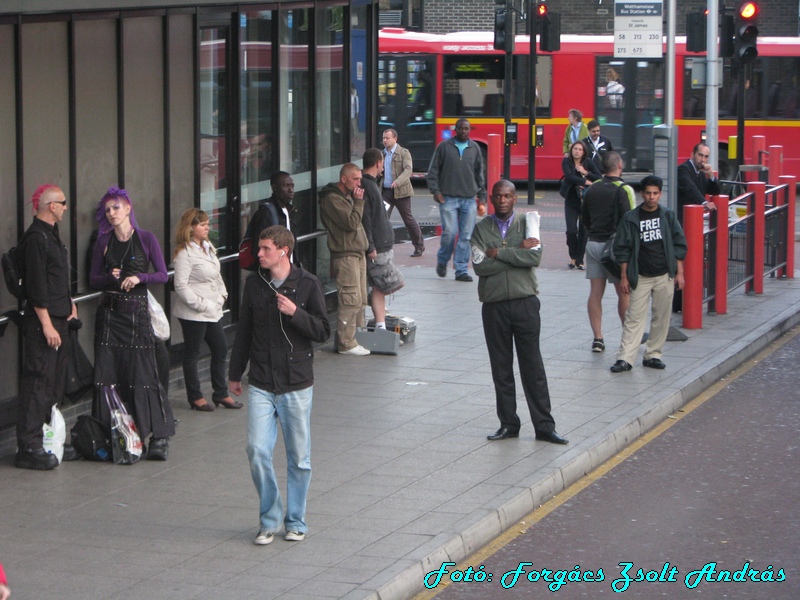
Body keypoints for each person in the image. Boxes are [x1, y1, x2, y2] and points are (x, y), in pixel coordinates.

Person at [228, 225, 331, 546]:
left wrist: (295, 313)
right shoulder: (254, 285)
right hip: (260, 380)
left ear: (284, 251)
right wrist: (234, 373)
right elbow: (244, 331)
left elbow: (323, 331)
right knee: (257, 450)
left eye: (265, 249)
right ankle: (269, 519)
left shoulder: (308, 284)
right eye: (259, 249)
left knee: (299, 457)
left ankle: (296, 521)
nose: (258, 254)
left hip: (296, 383)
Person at [471, 180, 569, 445]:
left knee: (532, 367)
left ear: (515, 198)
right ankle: (508, 424)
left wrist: (497, 253)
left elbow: (533, 259)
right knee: (501, 368)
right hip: (494, 307)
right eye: (498, 196)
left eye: (508, 196)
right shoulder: (481, 228)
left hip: (525, 303)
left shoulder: (529, 222)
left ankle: (545, 426)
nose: (502, 200)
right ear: (492, 199)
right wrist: (516, 251)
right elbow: (479, 266)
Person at [90, 186, 174, 461]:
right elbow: (93, 280)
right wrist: (110, 276)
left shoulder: (146, 238)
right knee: (109, 374)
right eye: (107, 210)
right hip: (111, 316)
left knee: (144, 374)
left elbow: (162, 274)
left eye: (116, 207)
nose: (111, 213)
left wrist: (140, 278)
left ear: (128, 208)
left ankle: (159, 436)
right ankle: (115, 433)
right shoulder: (103, 241)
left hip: (137, 314)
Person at [14, 185, 78, 470]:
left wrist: (69, 304)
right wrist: (47, 324)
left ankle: (45, 438)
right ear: (51, 206)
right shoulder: (36, 238)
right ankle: (29, 446)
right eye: (62, 203)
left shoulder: (51, 235)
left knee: (52, 382)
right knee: (38, 381)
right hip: (45, 324)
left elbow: (55, 279)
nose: (66, 207)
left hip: (59, 318)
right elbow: (37, 286)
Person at [610, 176, 687, 373]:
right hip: (640, 275)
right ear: (642, 194)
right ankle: (625, 358)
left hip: (664, 274)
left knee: (662, 317)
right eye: (648, 193)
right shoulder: (631, 218)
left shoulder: (667, 216)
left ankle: (653, 354)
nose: (651, 197)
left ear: (660, 194)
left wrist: (680, 273)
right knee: (634, 317)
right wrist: (624, 276)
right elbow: (623, 249)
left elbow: (679, 245)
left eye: (655, 193)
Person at [172, 208, 241, 413]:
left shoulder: (208, 247)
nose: (207, 228)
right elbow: (181, 286)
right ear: (191, 227)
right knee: (192, 353)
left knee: (220, 348)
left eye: (207, 224)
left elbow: (216, 275)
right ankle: (195, 396)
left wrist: (223, 295)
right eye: (203, 225)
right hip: (194, 312)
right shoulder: (184, 253)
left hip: (213, 309)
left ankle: (220, 393)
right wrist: (202, 304)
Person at [581, 151, 636, 353]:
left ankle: (598, 338)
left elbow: (584, 217)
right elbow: (629, 222)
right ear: (619, 165)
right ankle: (629, 335)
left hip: (594, 243)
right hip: (614, 249)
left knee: (595, 292)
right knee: (623, 291)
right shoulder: (625, 190)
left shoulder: (592, 188)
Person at [319, 163, 371, 356]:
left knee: (360, 299)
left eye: (360, 178)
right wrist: (358, 202)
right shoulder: (332, 199)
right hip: (345, 254)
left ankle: (356, 336)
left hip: (357, 251)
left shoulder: (346, 196)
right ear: (344, 179)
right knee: (350, 299)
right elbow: (351, 223)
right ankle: (345, 342)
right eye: (356, 179)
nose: (359, 183)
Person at [427, 118, 486, 282]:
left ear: (469, 130)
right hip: (448, 199)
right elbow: (432, 172)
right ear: (455, 129)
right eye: (460, 128)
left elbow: (479, 175)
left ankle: (461, 270)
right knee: (450, 233)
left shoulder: (474, 148)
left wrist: (482, 198)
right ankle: (442, 260)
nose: (463, 131)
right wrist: (436, 192)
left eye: (466, 128)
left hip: (469, 199)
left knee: (466, 236)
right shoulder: (444, 147)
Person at [362, 148, 405, 328]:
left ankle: (380, 323)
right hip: (377, 247)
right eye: (383, 163)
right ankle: (378, 321)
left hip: (381, 245)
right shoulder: (367, 186)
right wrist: (370, 245)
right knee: (390, 283)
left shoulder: (371, 184)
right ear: (379, 162)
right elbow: (366, 218)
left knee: (380, 287)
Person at [675, 143, 720, 312]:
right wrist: (703, 202)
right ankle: (678, 303)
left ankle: (687, 301)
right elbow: (689, 188)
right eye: (700, 155)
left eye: (706, 157)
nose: (703, 159)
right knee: (682, 262)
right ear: (693, 154)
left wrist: (711, 176)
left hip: (694, 224)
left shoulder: (701, 173)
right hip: (682, 222)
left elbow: (715, 190)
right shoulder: (684, 169)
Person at [382, 128, 425, 257]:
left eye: (387, 138)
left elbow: (408, 170)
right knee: (383, 219)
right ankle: (383, 246)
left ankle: (419, 246)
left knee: (408, 219)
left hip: (401, 192)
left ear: (395, 139)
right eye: (383, 138)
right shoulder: (382, 154)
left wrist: (398, 182)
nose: (384, 140)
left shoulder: (404, 153)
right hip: (386, 193)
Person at [561, 140, 601, 270]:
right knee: (571, 231)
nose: (577, 151)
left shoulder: (588, 162)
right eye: (575, 149)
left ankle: (579, 260)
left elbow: (598, 176)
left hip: (586, 202)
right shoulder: (566, 161)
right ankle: (573, 255)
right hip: (571, 200)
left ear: (583, 152)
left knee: (584, 232)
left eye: (579, 149)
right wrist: (585, 181)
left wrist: (585, 172)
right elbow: (569, 177)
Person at [246, 171, 295, 264]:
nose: (291, 190)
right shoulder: (266, 212)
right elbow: (260, 245)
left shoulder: (289, 210)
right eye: (286, 186)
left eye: (292, 186)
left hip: (288, 267)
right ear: (274, 188)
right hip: (273, 269)